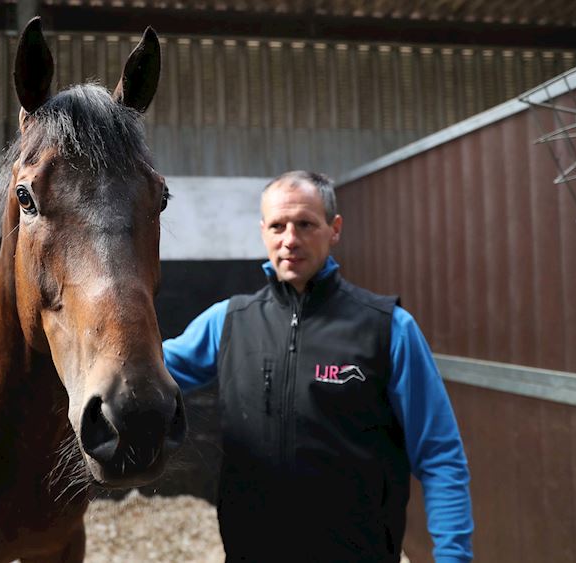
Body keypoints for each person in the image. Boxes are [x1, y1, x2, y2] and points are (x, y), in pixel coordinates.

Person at [162, 171, 474, 563]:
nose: (290, 239)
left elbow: (441, 456)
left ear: (334, 229)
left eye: (305, 224)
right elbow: (145, 371)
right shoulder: (226, 322)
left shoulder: (388, 328)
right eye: (277, 225)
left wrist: (453, 556)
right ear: (263, 232)